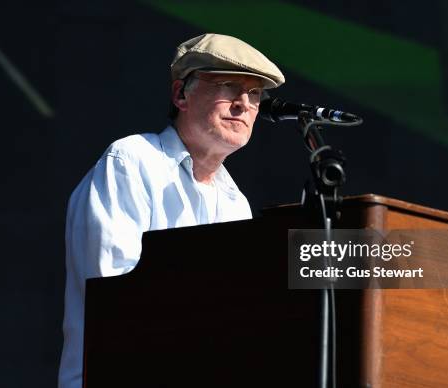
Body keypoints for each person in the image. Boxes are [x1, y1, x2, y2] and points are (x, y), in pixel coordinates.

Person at [57, 33, 285, 388]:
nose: (244, 103)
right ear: (181, 94)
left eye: (254, 94)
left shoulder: (235, 201)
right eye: (228, 86)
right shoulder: (132, 161)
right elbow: (113, 294)